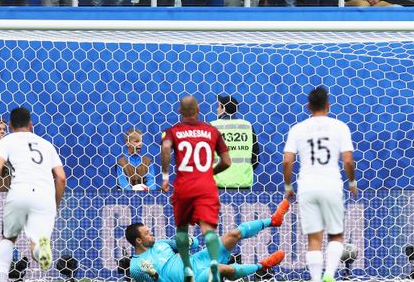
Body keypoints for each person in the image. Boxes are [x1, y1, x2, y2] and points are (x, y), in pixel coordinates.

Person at [0, 107, 67, 282]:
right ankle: (39, 249)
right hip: (44, 195)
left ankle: (2, 279)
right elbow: (61, 178)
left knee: (8, 238)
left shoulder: (6, 142)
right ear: (31, 125)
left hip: (19, 192)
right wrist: (54, 205)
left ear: (10, 125)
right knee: (36, 242)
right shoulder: (46, 144)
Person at [283, 86, 357, 282]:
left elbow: (287, 161)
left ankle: (316, 280)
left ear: (308, 106)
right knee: (336, 235)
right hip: (331, 183)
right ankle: (330, 276)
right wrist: (352, 181)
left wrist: (288, 186)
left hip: (307, 185)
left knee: (313, 239)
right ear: (328, 106)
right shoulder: (340, 126)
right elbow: (348, 160)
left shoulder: (297, 129)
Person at [161, 95, 232, 282]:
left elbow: (166, 149)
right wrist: (210, 172)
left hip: (184, 186)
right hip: (205, 186)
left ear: (179, 112)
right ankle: (214, 262)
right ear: (198, 110)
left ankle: (186, 268)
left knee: (182, 229)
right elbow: (226, 161)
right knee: (208, 228)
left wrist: (165, 176)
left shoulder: (172, 131)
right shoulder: (212, 130)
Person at [125, 204, 290, 282]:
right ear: (138, 240)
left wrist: (190, 241)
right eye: (147, 233)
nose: (151, 233)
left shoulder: (160, 243)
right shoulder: (136, 266)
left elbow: (195, 243)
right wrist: (154, 275)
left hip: (197, 260)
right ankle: (262, 266)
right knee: (217, 268)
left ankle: (273, 220)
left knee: (234, 234)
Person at [212, 94, 260, 189]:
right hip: (243, 182)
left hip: (218, 183)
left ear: (223, 108)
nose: (217, 109)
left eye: (218, 106)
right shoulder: (247, 126)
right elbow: (255, 157)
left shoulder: (213, 126)